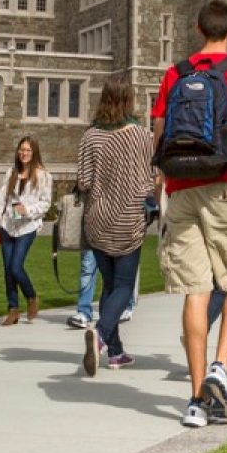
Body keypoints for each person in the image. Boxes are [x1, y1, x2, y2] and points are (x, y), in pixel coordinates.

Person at [153, 0, 227, 430]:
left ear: (198, 29)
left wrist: (166, 182)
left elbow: (160, 134)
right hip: (226, 184)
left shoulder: (175, 73)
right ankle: (221, 367)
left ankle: (197, 400)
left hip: (182, 188)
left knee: (195, 292)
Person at [76, 75, 155, 374]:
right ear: (128, 100)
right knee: (123, 286)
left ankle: (116, 353)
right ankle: (99, 336)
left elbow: (83, 181)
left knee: (109, 286)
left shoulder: (90, 136)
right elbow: (148, 180)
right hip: (128, 218)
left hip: (97, 218)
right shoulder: (139, 135)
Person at [0, 135, 51, 326]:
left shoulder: (43, 176)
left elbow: (46, 204)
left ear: (34, 152)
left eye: (28, 150)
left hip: (27, 227)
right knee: (7, 269)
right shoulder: (11, 173)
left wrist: (28, 210)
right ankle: (13, 309)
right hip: (8, 225)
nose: (24, 153)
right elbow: (0, 201)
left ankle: (31, 297)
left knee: (16, 266)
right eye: (21, 149)